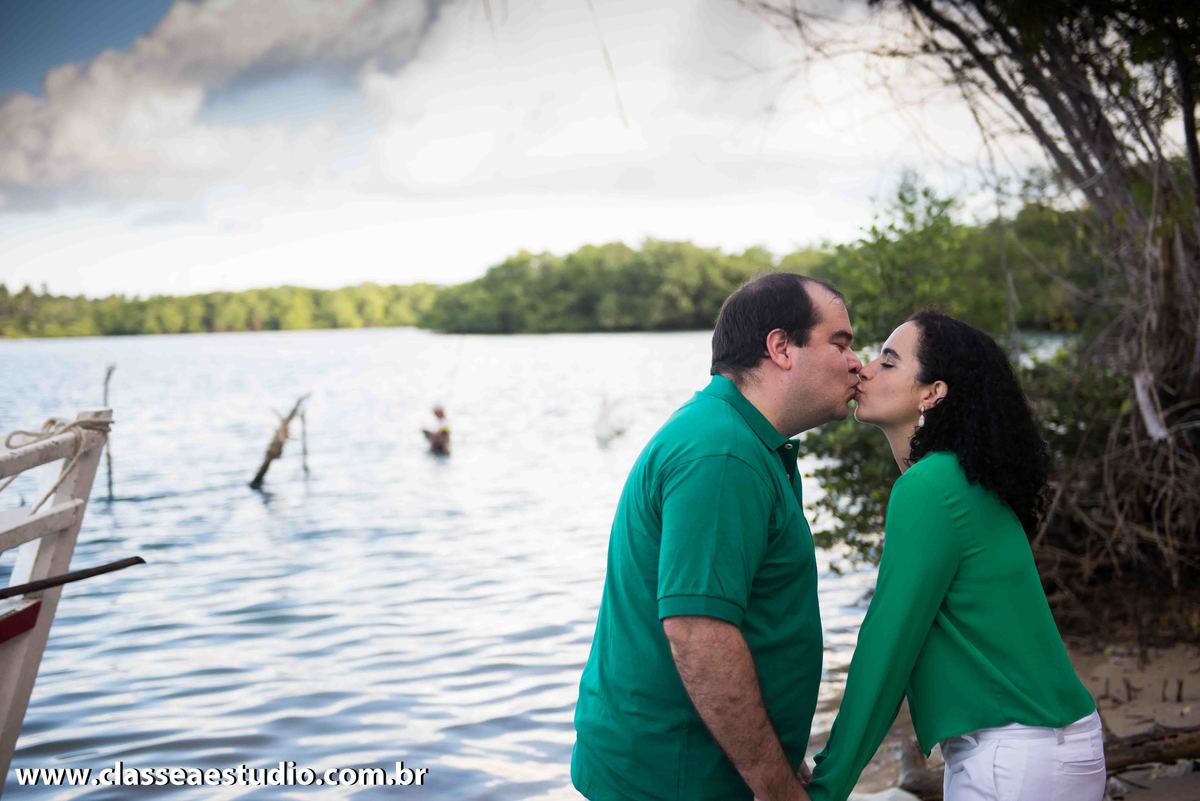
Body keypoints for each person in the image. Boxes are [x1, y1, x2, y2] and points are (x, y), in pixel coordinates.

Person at [572, 273, 863, 801]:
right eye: (840, 343)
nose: (856, 361)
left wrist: (775, 758)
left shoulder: (743, 438)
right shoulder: (722, 453)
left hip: (701, 770)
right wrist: (774, 785)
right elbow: (697, 632)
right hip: (677, 780)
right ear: (781, 348)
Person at [805, 311, 1103, 801]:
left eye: (890, 361)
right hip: (1045, 747)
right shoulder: (960, 480)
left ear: (932, 392)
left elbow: (887, 646)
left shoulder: (930, 488)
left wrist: (826, 785)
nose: (865, 368)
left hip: (1018, 756)